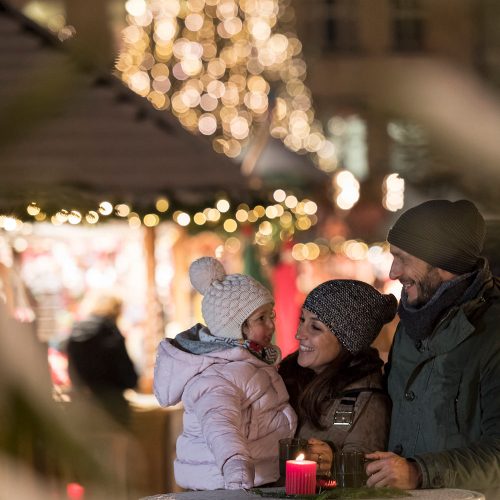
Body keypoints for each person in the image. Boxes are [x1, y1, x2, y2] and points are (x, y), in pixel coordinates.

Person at [366, 199, 500, 499]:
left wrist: (418, 472)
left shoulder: (494, 334)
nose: (392, 272)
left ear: (441, 260)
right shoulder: (410, 320)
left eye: (402, 257)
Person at [153, 257, 297, 490]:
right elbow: (219, 422)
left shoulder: (250, 363)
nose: (271, 325)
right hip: (226, 483)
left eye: (271, 315)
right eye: (261, 318)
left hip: (253, 480)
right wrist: (235, 466)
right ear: (235, 327)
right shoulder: (220, 375)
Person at [279, 279, 398, 477]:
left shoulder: (368, 401)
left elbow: (367, 472)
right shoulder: (286, 377)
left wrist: (332, 460)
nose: (299, 334)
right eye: (302, 320)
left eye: (315, 327)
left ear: (347, 342)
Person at [66, 291, 138, 426]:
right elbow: (128, 375)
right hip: (112, 407)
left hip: (82, 405)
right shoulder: (110, 333)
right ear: (116, 310)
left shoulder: (76, 331)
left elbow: (71, 371)